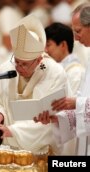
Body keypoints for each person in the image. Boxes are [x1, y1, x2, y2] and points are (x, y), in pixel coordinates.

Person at [0, 14, 73, 155]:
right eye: (17, 61)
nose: (18, 67)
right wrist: (0, 113)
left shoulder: (54, 73)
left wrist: (14, 131)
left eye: (24, 64)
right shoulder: (7, 68)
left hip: (39, 150)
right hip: (6, 146)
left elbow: (49, 119)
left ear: (38, 60)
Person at [34, 2, 90, 155]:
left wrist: (75, 103)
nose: (77, 39)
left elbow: (81, 103)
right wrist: (58, 119)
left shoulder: (76, 70)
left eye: (78, 31)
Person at [45, 22, 85, 95]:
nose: (45, 50)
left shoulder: (76, 73)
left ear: (63, 45)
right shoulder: (51, 69)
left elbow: (72, 103)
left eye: (48, 45)